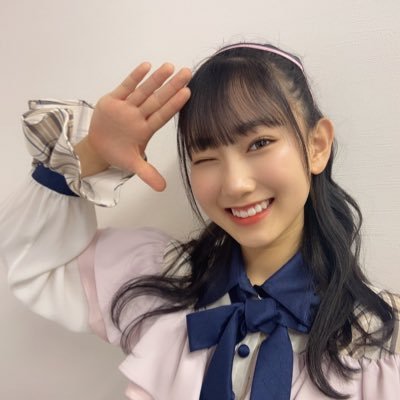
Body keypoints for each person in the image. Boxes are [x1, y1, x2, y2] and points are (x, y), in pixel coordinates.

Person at [1, 42, 399, 400]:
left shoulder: (378, 339)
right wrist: (91, 153)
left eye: (259, 143)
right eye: (206, 157)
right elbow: (35, 264)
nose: (236, 184)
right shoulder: (161, 283)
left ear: (317, 145)